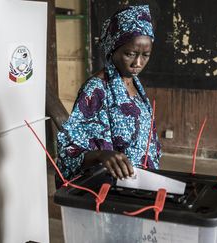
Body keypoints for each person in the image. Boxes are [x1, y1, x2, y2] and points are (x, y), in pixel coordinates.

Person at [57, 5, 161, 183]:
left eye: (145, 55)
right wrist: (100, 155)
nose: (138, 62)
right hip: (113, 188)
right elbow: (68, 149)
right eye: (130, 54)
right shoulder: (96, 89)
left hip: (140, 183)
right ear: (113, 48)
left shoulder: (133, 82)